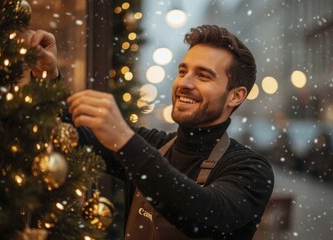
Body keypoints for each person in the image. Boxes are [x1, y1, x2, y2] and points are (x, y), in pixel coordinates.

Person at [25, 25, 274, 240]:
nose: (184, 83)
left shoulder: (251, 170)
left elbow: (202, 213)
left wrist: (124, 139)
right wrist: (47, 76)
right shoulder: (154, 145)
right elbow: (71, 134)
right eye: (182, 71)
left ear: (236, 95)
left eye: (203, 76)